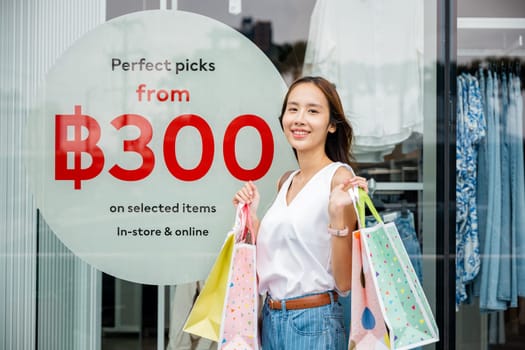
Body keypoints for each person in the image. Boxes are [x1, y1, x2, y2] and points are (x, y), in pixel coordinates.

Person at [233, 76, 368, 349]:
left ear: (332, 125)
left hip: (314, 322)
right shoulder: (286, 181)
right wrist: (252, 218)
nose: (299, 118)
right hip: (271, 318)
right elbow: (286, 257)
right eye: (293, 109)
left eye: (313, 111)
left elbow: (343, 283)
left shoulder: (339, 178)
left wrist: (338, 213)